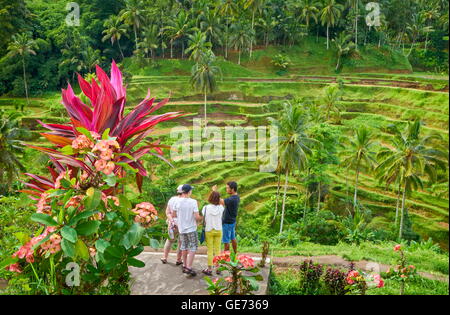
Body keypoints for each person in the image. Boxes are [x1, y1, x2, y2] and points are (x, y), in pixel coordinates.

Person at [172, 184, 202, 277]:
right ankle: (189, 267)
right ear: (189, 192)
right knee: (193, 247)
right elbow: (197, 217)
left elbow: (174, 214)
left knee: (184, 246)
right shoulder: (193, 202)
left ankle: (185, 265)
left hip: (182, 229)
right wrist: (202, 218)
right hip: (191, 228)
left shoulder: (177, 202)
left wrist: (182, 218)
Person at [201, 191, 225, 276]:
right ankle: (218, 268)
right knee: (218, 250)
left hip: (209, 230)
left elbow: (204, 216)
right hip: (218, 230)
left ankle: (210, 269)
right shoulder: (221, 208)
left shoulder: (206, 208)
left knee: (210, 250)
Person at [214, 181, 240, 253]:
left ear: (232, 189)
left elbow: (220, 201)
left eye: (228, 188)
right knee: (233, 238)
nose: (226, 189)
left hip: (227, 223)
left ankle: (226, 258)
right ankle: (235, 254)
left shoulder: (232, 199)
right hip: (232, 221)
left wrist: (215, 192)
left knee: (226, 241)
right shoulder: (236, 197)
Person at [161, 185, 183, 265]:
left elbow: (167, 212)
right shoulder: (185, 201)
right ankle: (178, 259)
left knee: (169, 240)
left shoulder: (172, 199)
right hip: (182, 224)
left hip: (171, 223)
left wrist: (172, 221)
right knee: (181, 242)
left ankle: (164, 257)